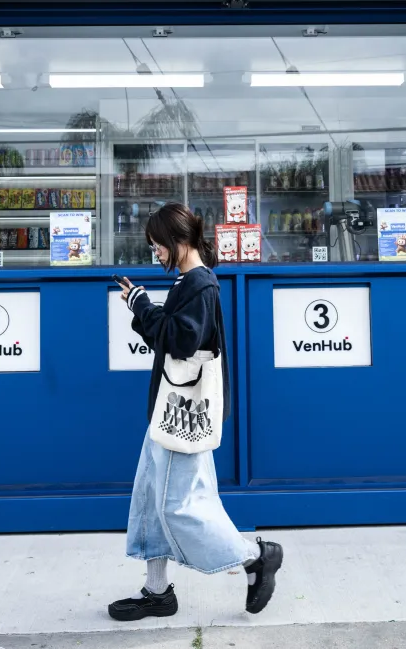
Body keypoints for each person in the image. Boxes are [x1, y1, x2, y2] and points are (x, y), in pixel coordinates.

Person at [109, 202, 283, 621]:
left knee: (177, 507)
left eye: (158, 245)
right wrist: (146, 308)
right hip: (171, 413)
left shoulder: (200, 285)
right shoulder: (192, 280)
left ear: (177, 240)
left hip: (180, 415)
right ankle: (157, 591)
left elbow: (180, 341)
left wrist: (141, 306)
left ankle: (255, 557)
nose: (156, 254)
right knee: (152, 500)